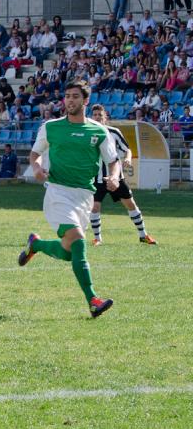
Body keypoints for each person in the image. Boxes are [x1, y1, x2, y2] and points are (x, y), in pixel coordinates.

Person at [17, 82, 118, 318]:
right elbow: (35, 154)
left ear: (85, 101)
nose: (70, 100)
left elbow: (112, 160)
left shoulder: (99, 131)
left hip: (84, 195)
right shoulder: (50, 127)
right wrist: (37, 168)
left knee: (69, 252)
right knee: (78, 240)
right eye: (67, 96)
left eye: (75, 97)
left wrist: (113, 177)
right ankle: (93, 300)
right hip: (58, 192)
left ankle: (37, 245)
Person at [89, 105, 157, 246]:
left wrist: (127, 158)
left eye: (99, 115)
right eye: (95, 115)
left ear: (105, 116)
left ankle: (143, 235)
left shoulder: (114, 132)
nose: (97, 117)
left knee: (130, 204)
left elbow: (127, 150)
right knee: (95, 207)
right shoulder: (89, 134)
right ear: (91, 117)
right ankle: (97, 238)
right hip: (97, 179)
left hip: (116, 178)